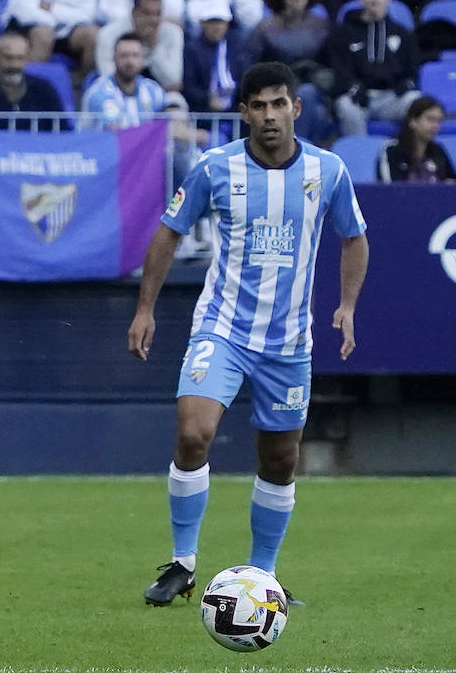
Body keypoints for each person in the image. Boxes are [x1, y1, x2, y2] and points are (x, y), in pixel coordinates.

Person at [128, 61, 369, 606]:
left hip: (288, 343)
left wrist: (348, 305)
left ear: (296, 109)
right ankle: (183, 564)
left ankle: (262, 578)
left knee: (280, 459)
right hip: (223, 328)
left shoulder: (327, 171)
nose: (269, 116)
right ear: (243, 113)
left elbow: (355, 237)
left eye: (278, 104)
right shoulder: (215, 168)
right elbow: (168, 234)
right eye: (257, 105)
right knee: (193, 433)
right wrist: (146, 308)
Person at [327, 0, 421, 137]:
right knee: (345, 105)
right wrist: (354, 87)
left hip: (392, 98)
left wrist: (405, 84)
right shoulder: (344, 33)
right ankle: (360, 155)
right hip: (360, 98)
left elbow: (412, 69)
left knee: (417, 102)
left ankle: (401, 156)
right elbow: (340, 69)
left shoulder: (403, 33)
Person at [248, 0, 332, 142]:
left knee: (312, 99)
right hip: (276, 92)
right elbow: (252, 69)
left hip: (316, 91)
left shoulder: (322, 26)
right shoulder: (265, 28)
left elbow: (332, 65)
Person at [2, 0, 100, 88]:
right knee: (44, 35)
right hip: (29, 26)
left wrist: (53, 8)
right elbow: (26, 12)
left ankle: (82, 86)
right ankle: (26, 86)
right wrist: (58, 20)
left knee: (93, 34)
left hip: (68, 30)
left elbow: (88, 14)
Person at [0, 30, 66, 130]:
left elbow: (63, 131)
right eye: (8, 58)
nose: (14, 65)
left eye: (20, 58)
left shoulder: (44, 90)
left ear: (27, 59)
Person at [95, 0, 184, 93]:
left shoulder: (173, 33)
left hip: (159, 91)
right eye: (147, 13)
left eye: (158, 14)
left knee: (176, 103)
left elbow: (173, 81)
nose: (153, 20)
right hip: (118, 91)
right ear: (133, 13)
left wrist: (154, 46)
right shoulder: (109, 34)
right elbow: (107, 76)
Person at [83, 33, 167, 127]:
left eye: (135, 55)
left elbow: (170, 122)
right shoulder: (99, 91)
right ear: (114, 58)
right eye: (124, 55)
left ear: (142, 59)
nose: (130, 61)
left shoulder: (154, 90)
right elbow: (114, 132)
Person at [181, 0, 248, 113]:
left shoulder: (236, 47)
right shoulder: (192, 49)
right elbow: (189, 87)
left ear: (227, 24)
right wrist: (207, 100)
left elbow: (246, 78)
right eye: (212, 22)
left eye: (220, 22)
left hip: (236, 109)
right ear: (202, 24)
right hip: (203, 111)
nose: (217, 27)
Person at [378, 95, 455, 183]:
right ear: (413, 121)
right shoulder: (392, 150)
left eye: (439, 121)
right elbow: (387, 188)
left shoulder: (438, 150)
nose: (435, 126)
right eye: (430, 119)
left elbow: (452, 184)